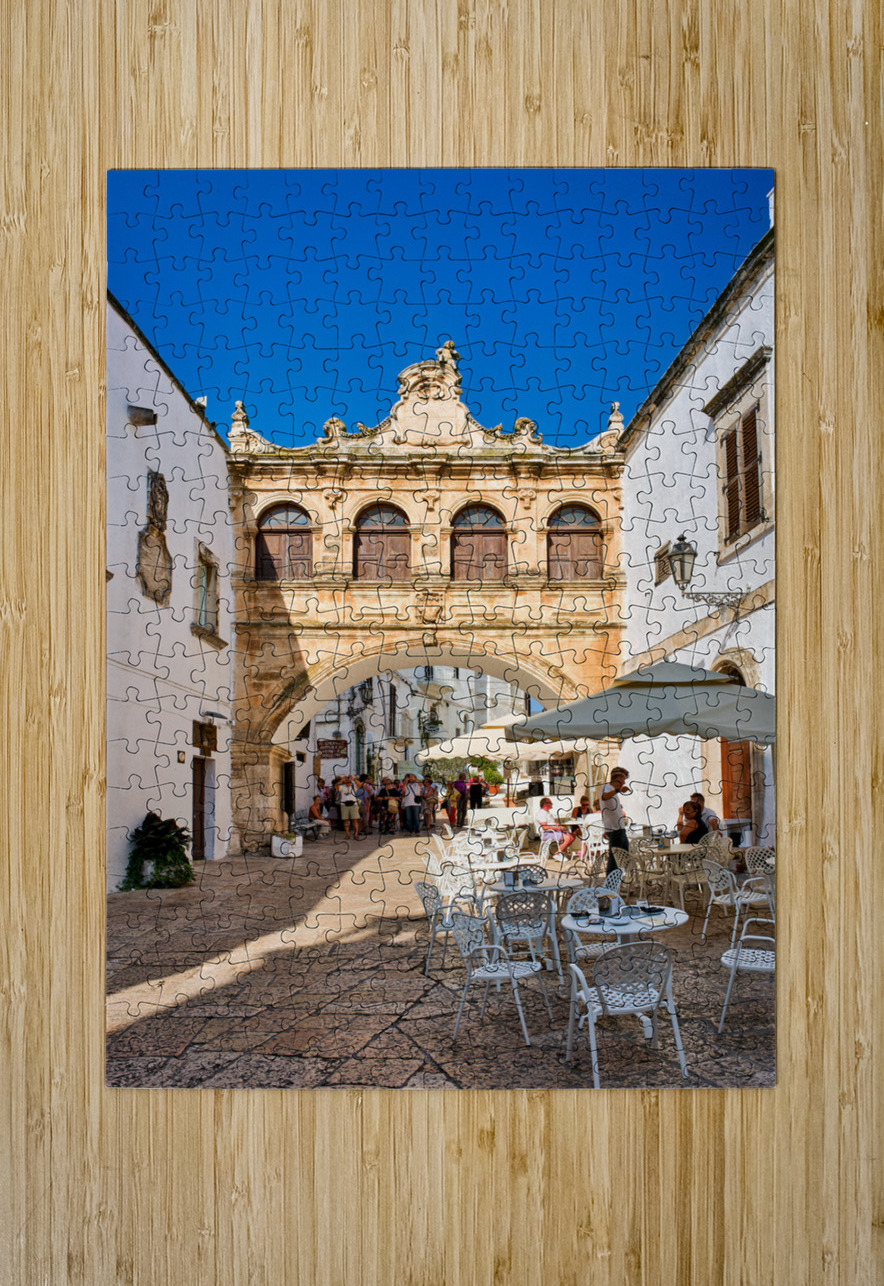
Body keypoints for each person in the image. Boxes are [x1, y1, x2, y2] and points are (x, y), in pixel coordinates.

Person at [600, 767, 631, 873]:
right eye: (623, 779)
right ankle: (610, 881)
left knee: (624, 858)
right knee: (614, 860)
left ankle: (620, 879)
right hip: (615, 830)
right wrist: (618, 790)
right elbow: (604, 797)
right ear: (618, 778)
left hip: (619, 829)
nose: (624, 782)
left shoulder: (611, 791)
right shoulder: (607, 788)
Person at [338, 774, 362, 840]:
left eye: (349, 781)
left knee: (355, 820)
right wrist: (342, 780)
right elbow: (336, 786)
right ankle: (347, 834)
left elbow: (360, 785)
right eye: (347, 781)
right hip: (344, 804)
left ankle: (356, 834)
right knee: (345, 821)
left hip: (353, 804)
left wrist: (353, 779)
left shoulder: (353, 786)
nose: (348, 782)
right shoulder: (342, 787)